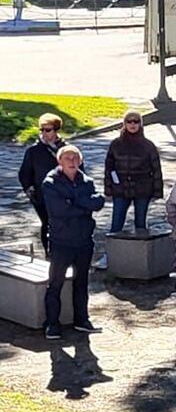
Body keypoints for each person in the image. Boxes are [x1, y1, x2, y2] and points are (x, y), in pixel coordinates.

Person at [39, 146, 106, 341]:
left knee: (82, 282)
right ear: (60, 161)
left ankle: (82, 320)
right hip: (61, 242)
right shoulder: (50, 183)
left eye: (75, 158)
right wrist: (83, 204)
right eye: (68, 158)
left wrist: (74, 202)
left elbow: (98, 202)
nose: (72, 161)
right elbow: (60, 210)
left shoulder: (87, 181)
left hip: (84, 241)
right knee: (56, 283)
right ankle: (52, 324)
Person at [102, 111, 162, 234]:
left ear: (141, 124)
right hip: (120, 188)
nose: (133, 124)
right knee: (116, 222)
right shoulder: (116, 144)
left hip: (142, 188)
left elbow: (156, 169)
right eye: (129, 121)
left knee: (141, 223)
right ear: (124, 124)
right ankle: (113, 250)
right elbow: (109, 167)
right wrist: (108, 188)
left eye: (136, 121)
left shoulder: (148, 145)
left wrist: (157, 191)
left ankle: (141, 250)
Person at [16, 113, 63, 248]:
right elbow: (24, 173)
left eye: (47, 130)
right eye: (41, 130)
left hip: (62, 194)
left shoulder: (65, 149)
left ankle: (60, 251)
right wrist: (30, 191)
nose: (43, 133)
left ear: (56, 130)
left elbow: (78, 169)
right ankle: (48, 252)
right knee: (46, 222)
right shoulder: (34, 150)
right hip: (41, 195)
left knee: (60, 223)